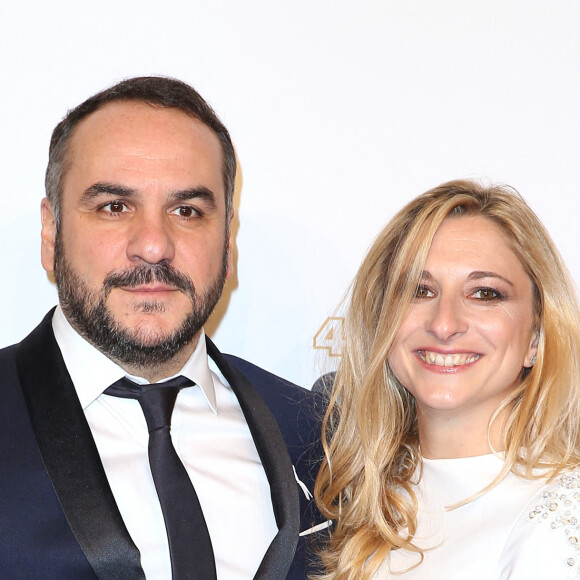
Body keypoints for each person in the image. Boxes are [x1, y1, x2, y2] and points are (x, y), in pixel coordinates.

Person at [0, 76, 324, 580]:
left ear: (228, 240)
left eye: (187, 211)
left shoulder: (317, 434)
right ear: (51, 232)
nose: (153, 245)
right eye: (114, 207)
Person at [314, 180, 580, 579]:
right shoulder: (359, 499)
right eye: (419, 290)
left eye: (485, 294)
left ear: (536, 337)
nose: (444, 323)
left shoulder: (559, 520)